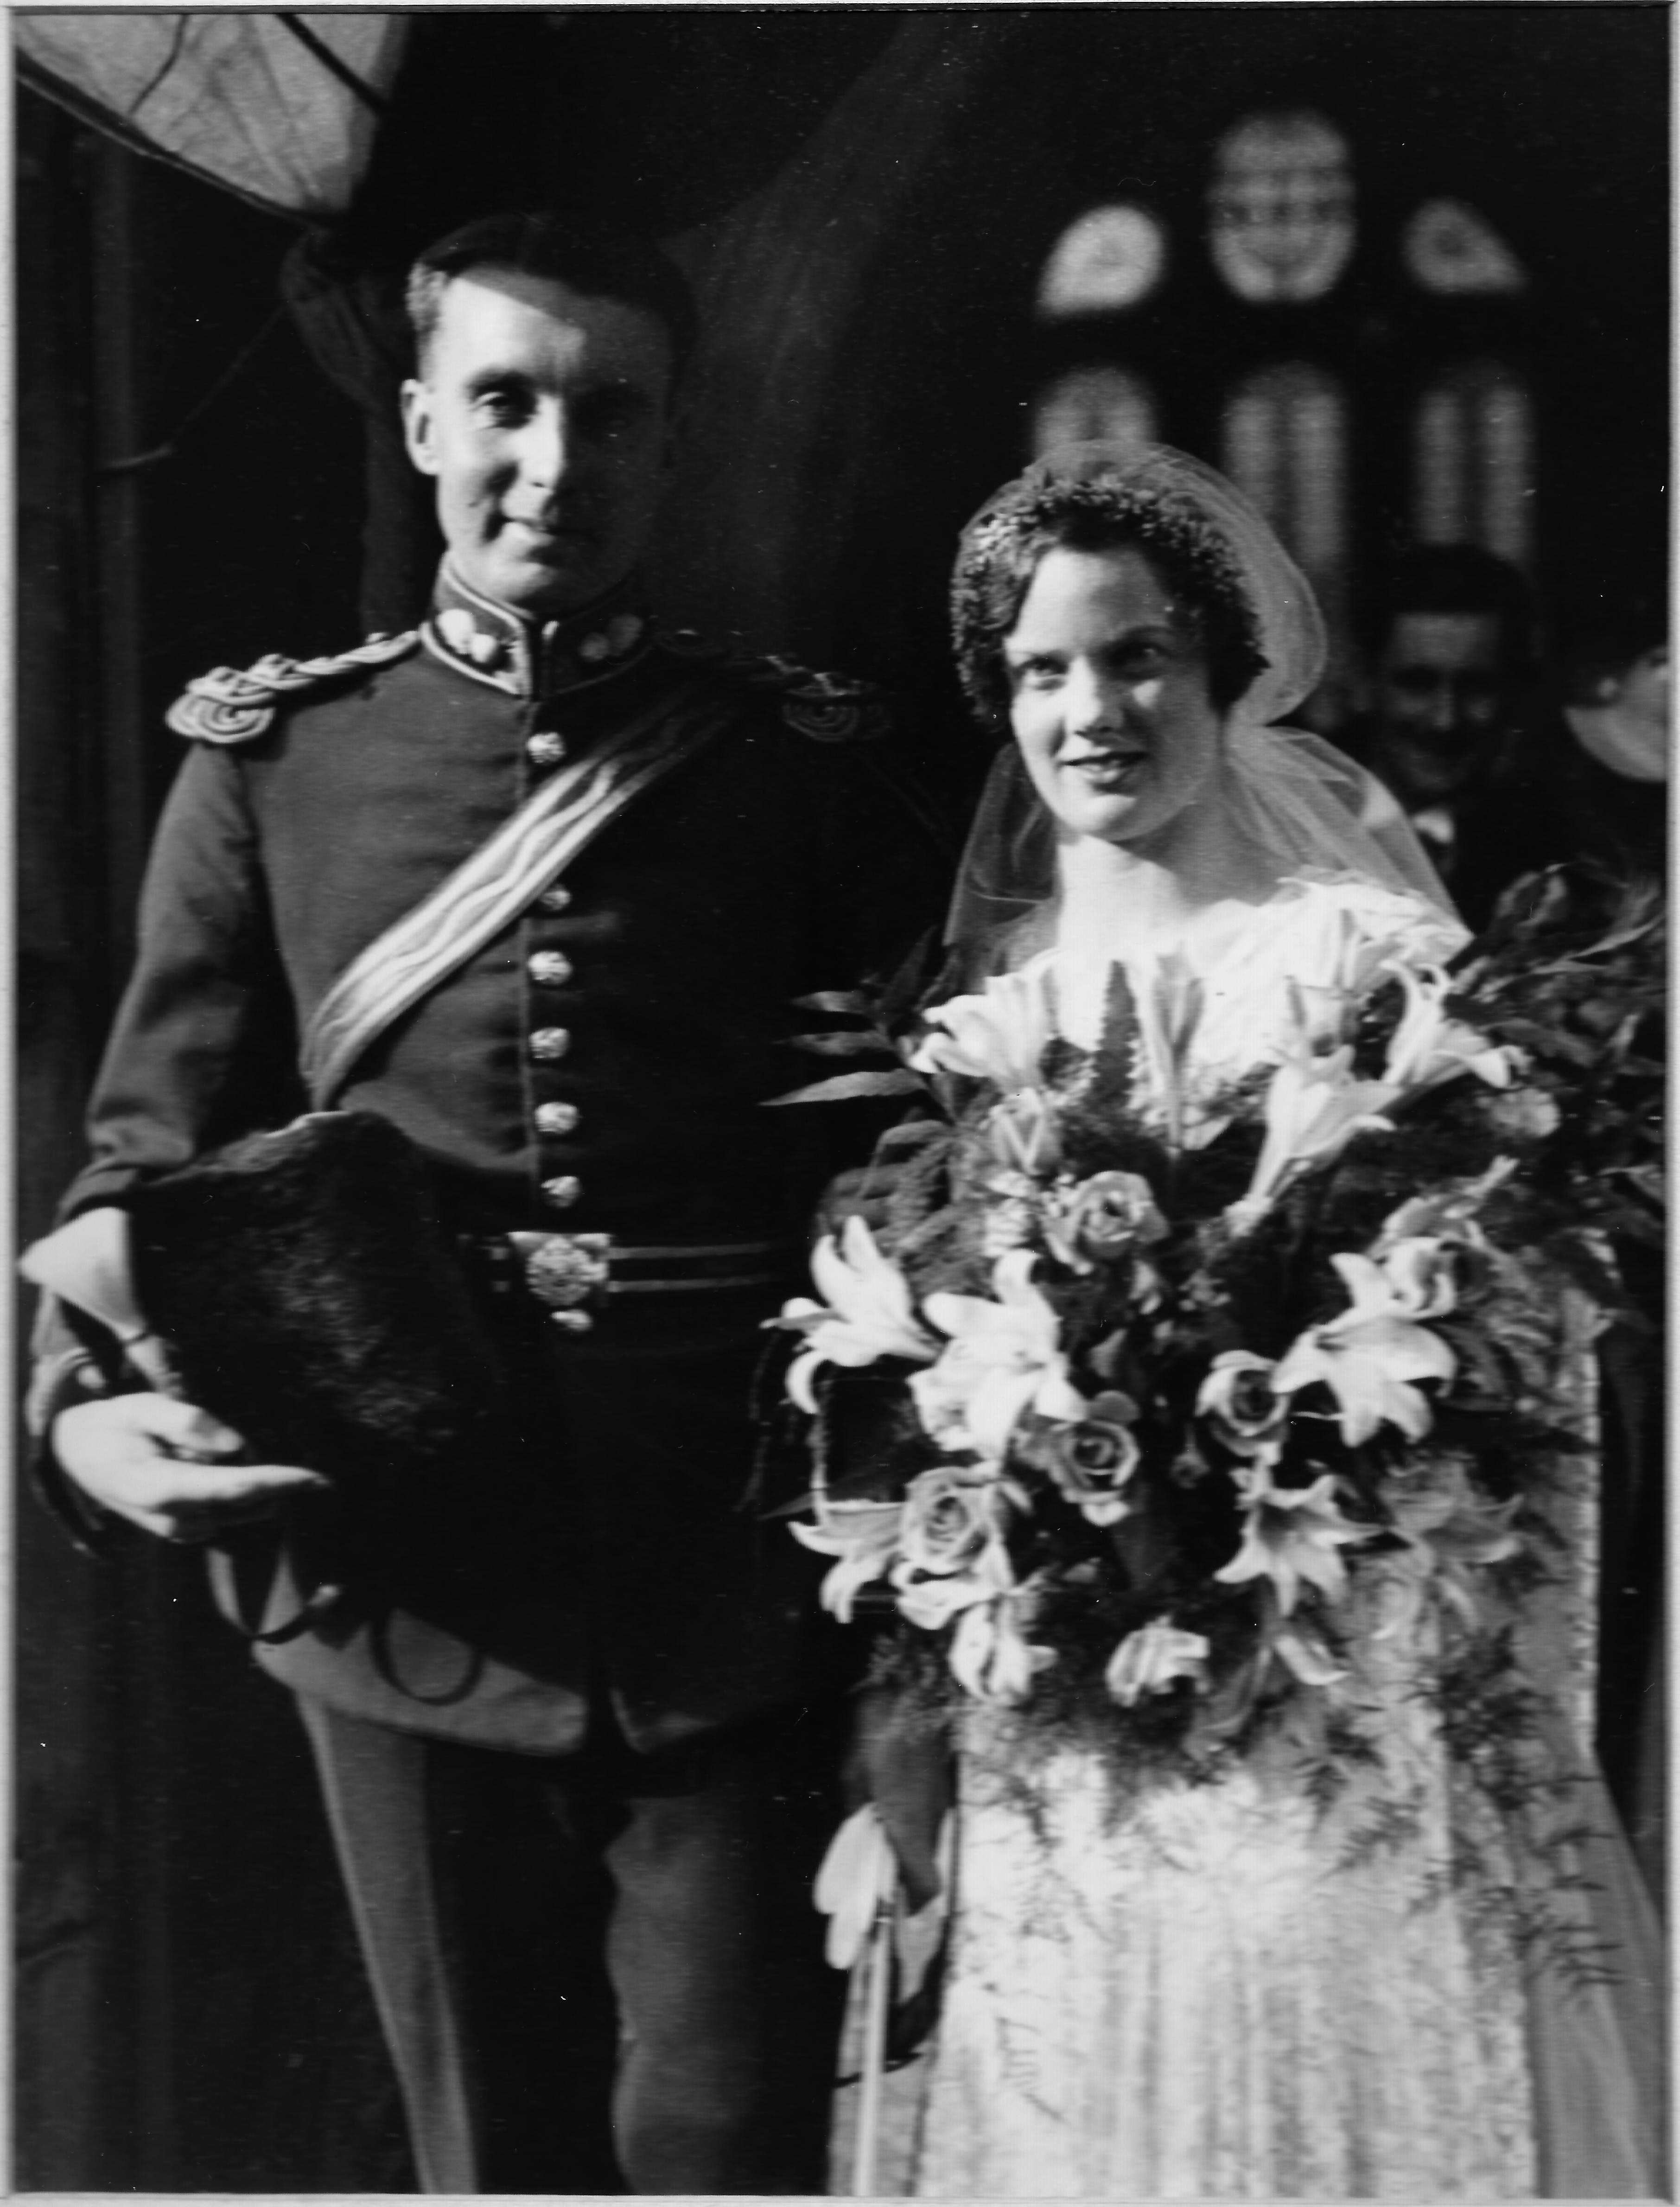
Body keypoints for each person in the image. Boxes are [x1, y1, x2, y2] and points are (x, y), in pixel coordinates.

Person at [26, 210, 948, 2195]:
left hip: (728, 1557)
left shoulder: (791, 763)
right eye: (506, 404)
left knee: (724, 2142)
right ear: (421, 424)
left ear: (671, 442)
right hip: (405, 1562)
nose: (553, 461)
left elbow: (907, 1146)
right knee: (492, 2156)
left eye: (608, 414)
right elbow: (142, 1159)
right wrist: (81, 1415)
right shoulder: (275, 763)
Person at [799, 444, 1665, 2199]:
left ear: (1222, 671)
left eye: (1136, 657)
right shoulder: (992, 1009)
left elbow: (1509, 1353)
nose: (1091, 711)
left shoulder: (1358, 962)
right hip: (1071, 1714)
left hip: (1342, 1702)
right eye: (1042, 670)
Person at [1346, 543, 1555, 929]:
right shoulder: (1292, 820)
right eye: (1418, 684)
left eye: (1477, 686)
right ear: (1365, 683)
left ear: (1516, 692)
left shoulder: (1549, 848)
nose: (1446, 720)